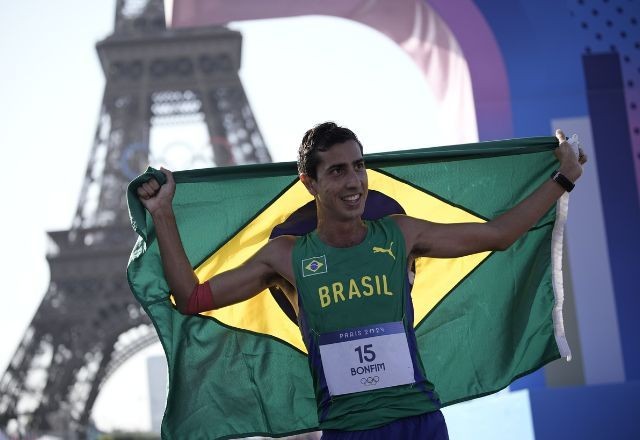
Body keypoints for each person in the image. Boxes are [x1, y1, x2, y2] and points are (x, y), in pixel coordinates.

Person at [136, 122, 586, 439]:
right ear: (308, 182)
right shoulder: (287, 257)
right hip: (348, 431)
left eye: (358, 166)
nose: (354, 181)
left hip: (419, 422)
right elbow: (192, 297)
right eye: (337, 171)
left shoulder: (400, 233)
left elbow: (500, 235)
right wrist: (163, 215)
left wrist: (563, 177)